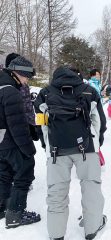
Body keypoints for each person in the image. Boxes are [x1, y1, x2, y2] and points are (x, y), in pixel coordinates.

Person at [34, 66, 107, 240]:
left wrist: (47, 146)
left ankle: (56, 234)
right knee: (91, 188)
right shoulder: (89, 91)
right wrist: (96, 144)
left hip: (56, 149)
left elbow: (40, 124)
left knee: (56, 192)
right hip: (87, 147)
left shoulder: (44, 93)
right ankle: (92, 228)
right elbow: (99, 122)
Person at [0, 56, 40, 228]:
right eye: (26, 76)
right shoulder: (11, 92)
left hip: (1, 142)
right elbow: (17, 126)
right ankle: (15, 215)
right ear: (16, 73)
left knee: (4, 174)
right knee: (24, 172)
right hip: (10, 141)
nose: (26, 81)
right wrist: (29, 150)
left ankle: (2, 208)